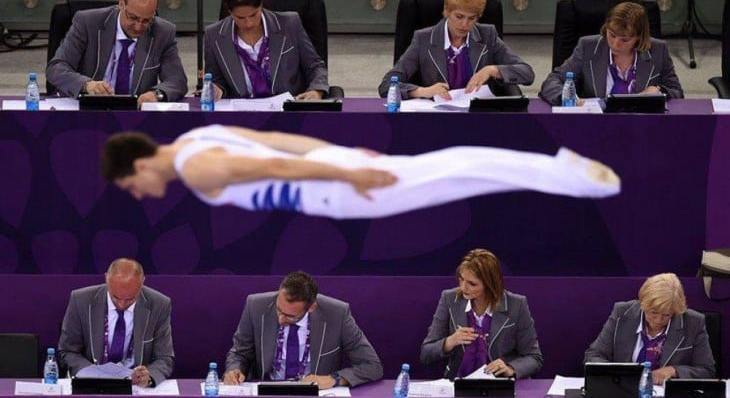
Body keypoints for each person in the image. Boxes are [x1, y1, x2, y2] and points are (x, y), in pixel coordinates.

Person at [100, 124, 620, 219]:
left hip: (332, 191)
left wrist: (349, 176)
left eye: (131, 185)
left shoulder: (196, 170)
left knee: (451, 172)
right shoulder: (195, 137)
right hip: (330, 165)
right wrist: (342, 153)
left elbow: (274, 163)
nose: (141, 194)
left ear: (141, 163)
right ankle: (562, 174)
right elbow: (279, 138)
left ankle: (566, 173)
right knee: (452, 175)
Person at [378, 0, 534, 100]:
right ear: (447, 11)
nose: (465, 24)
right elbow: (386, 85)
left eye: (472, 18)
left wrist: (493, 70)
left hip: (477, 117)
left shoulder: (488, 36)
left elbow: (527, 74)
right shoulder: (423, 39)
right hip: (437, 118)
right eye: (459, 16)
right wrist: (423, 91)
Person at [223, 271, 383, 389]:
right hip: (268, 390)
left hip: (314, 393)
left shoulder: (337, 314)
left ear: (311, 308)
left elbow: (372, 366)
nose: (281, 318)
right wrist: (234, 370)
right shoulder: (256, 305)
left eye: (290, 316)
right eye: (279, 309)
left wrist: (333, 379)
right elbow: (239, 353)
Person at [46, 0, 188, 107]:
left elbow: (177, 80)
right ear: (121, 4)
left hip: (135, 115)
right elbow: (56, 68)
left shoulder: (163, 32)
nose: (138, 27)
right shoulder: (87, 22)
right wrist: (86, 85)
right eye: (133, 18)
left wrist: (157, 94)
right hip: (89, 110)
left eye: (146, 21)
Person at [421, 249, 543, 379]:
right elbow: (426, 353)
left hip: (500, 385)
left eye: (472, 284)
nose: (463, 288)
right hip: (458, 384)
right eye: (461, 279)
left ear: (490, 284)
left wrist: (510, 368)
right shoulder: (449, 299)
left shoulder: (516, 305)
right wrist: (450, 341)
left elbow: (534, 358)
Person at [204, 0, 328, 100]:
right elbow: (216, 79)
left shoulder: (289, 24)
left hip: (286, 109)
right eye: (240, 18)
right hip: (242, 111)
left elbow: (314, 65)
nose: (248, 23)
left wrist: (316, 90)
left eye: (253, 15)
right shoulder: (214, 35)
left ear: (261, 5)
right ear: (230, 11)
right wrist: (216, 89)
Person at [57, 258, 174, 387]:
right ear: (106, 278)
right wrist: (90, 372)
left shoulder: (159, 304)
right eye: (115, 297)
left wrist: (149, 376)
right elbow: (67, 351)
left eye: (130, 299)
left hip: (135, 386)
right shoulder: (81, 300)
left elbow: (165, 358)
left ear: (142, 282)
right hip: (93, 384)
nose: (121, 304)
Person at [540, 2, 683, 105]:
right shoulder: (587, 47)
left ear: (639, 36)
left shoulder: (658, 50)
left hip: (641, 125)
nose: (615, 44)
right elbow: (553, 81)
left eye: (625, 39)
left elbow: (677, 92)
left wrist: (659, 90)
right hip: (596, 125)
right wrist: (564, 97)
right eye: (612, 35)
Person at [584, 273, 715, 384]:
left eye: (666, 315)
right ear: (643, 305)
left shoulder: (693, 322)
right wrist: (620, 374)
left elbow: (707, 371)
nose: (658, 320)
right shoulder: (621, 314)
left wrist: (673, 371)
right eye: (653, 313)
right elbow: (593, 356)